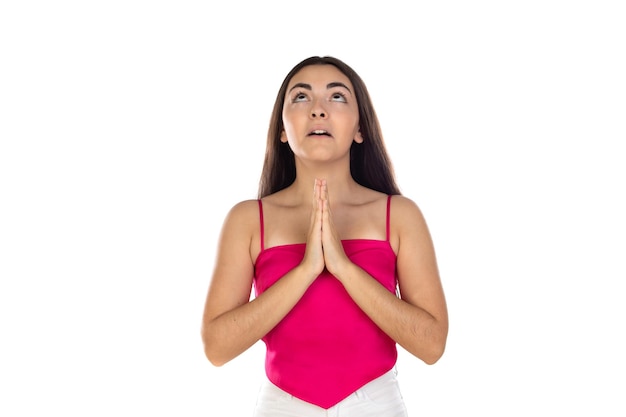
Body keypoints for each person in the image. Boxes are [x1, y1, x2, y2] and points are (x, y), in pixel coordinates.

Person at [201, 56, 448, 416]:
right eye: (301, 98)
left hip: (376, 405)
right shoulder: (247, 220)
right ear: (283, 130)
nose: (318, 110)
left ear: (359, 129)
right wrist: (306, 269)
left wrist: (344, 267)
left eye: (337, 97)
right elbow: (216, 348)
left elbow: (432, 345)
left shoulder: (400, 215)